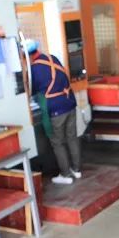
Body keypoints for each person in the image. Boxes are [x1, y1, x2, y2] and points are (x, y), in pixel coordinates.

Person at [27, 39, 81, 185]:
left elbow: (33, 89)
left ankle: (65, 174)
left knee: (57, 142)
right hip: (69, 102)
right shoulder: (52, 58)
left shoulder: (34, 68)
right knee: (72, 137)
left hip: (56, 108)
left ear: (27, 55)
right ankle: (76, 169)